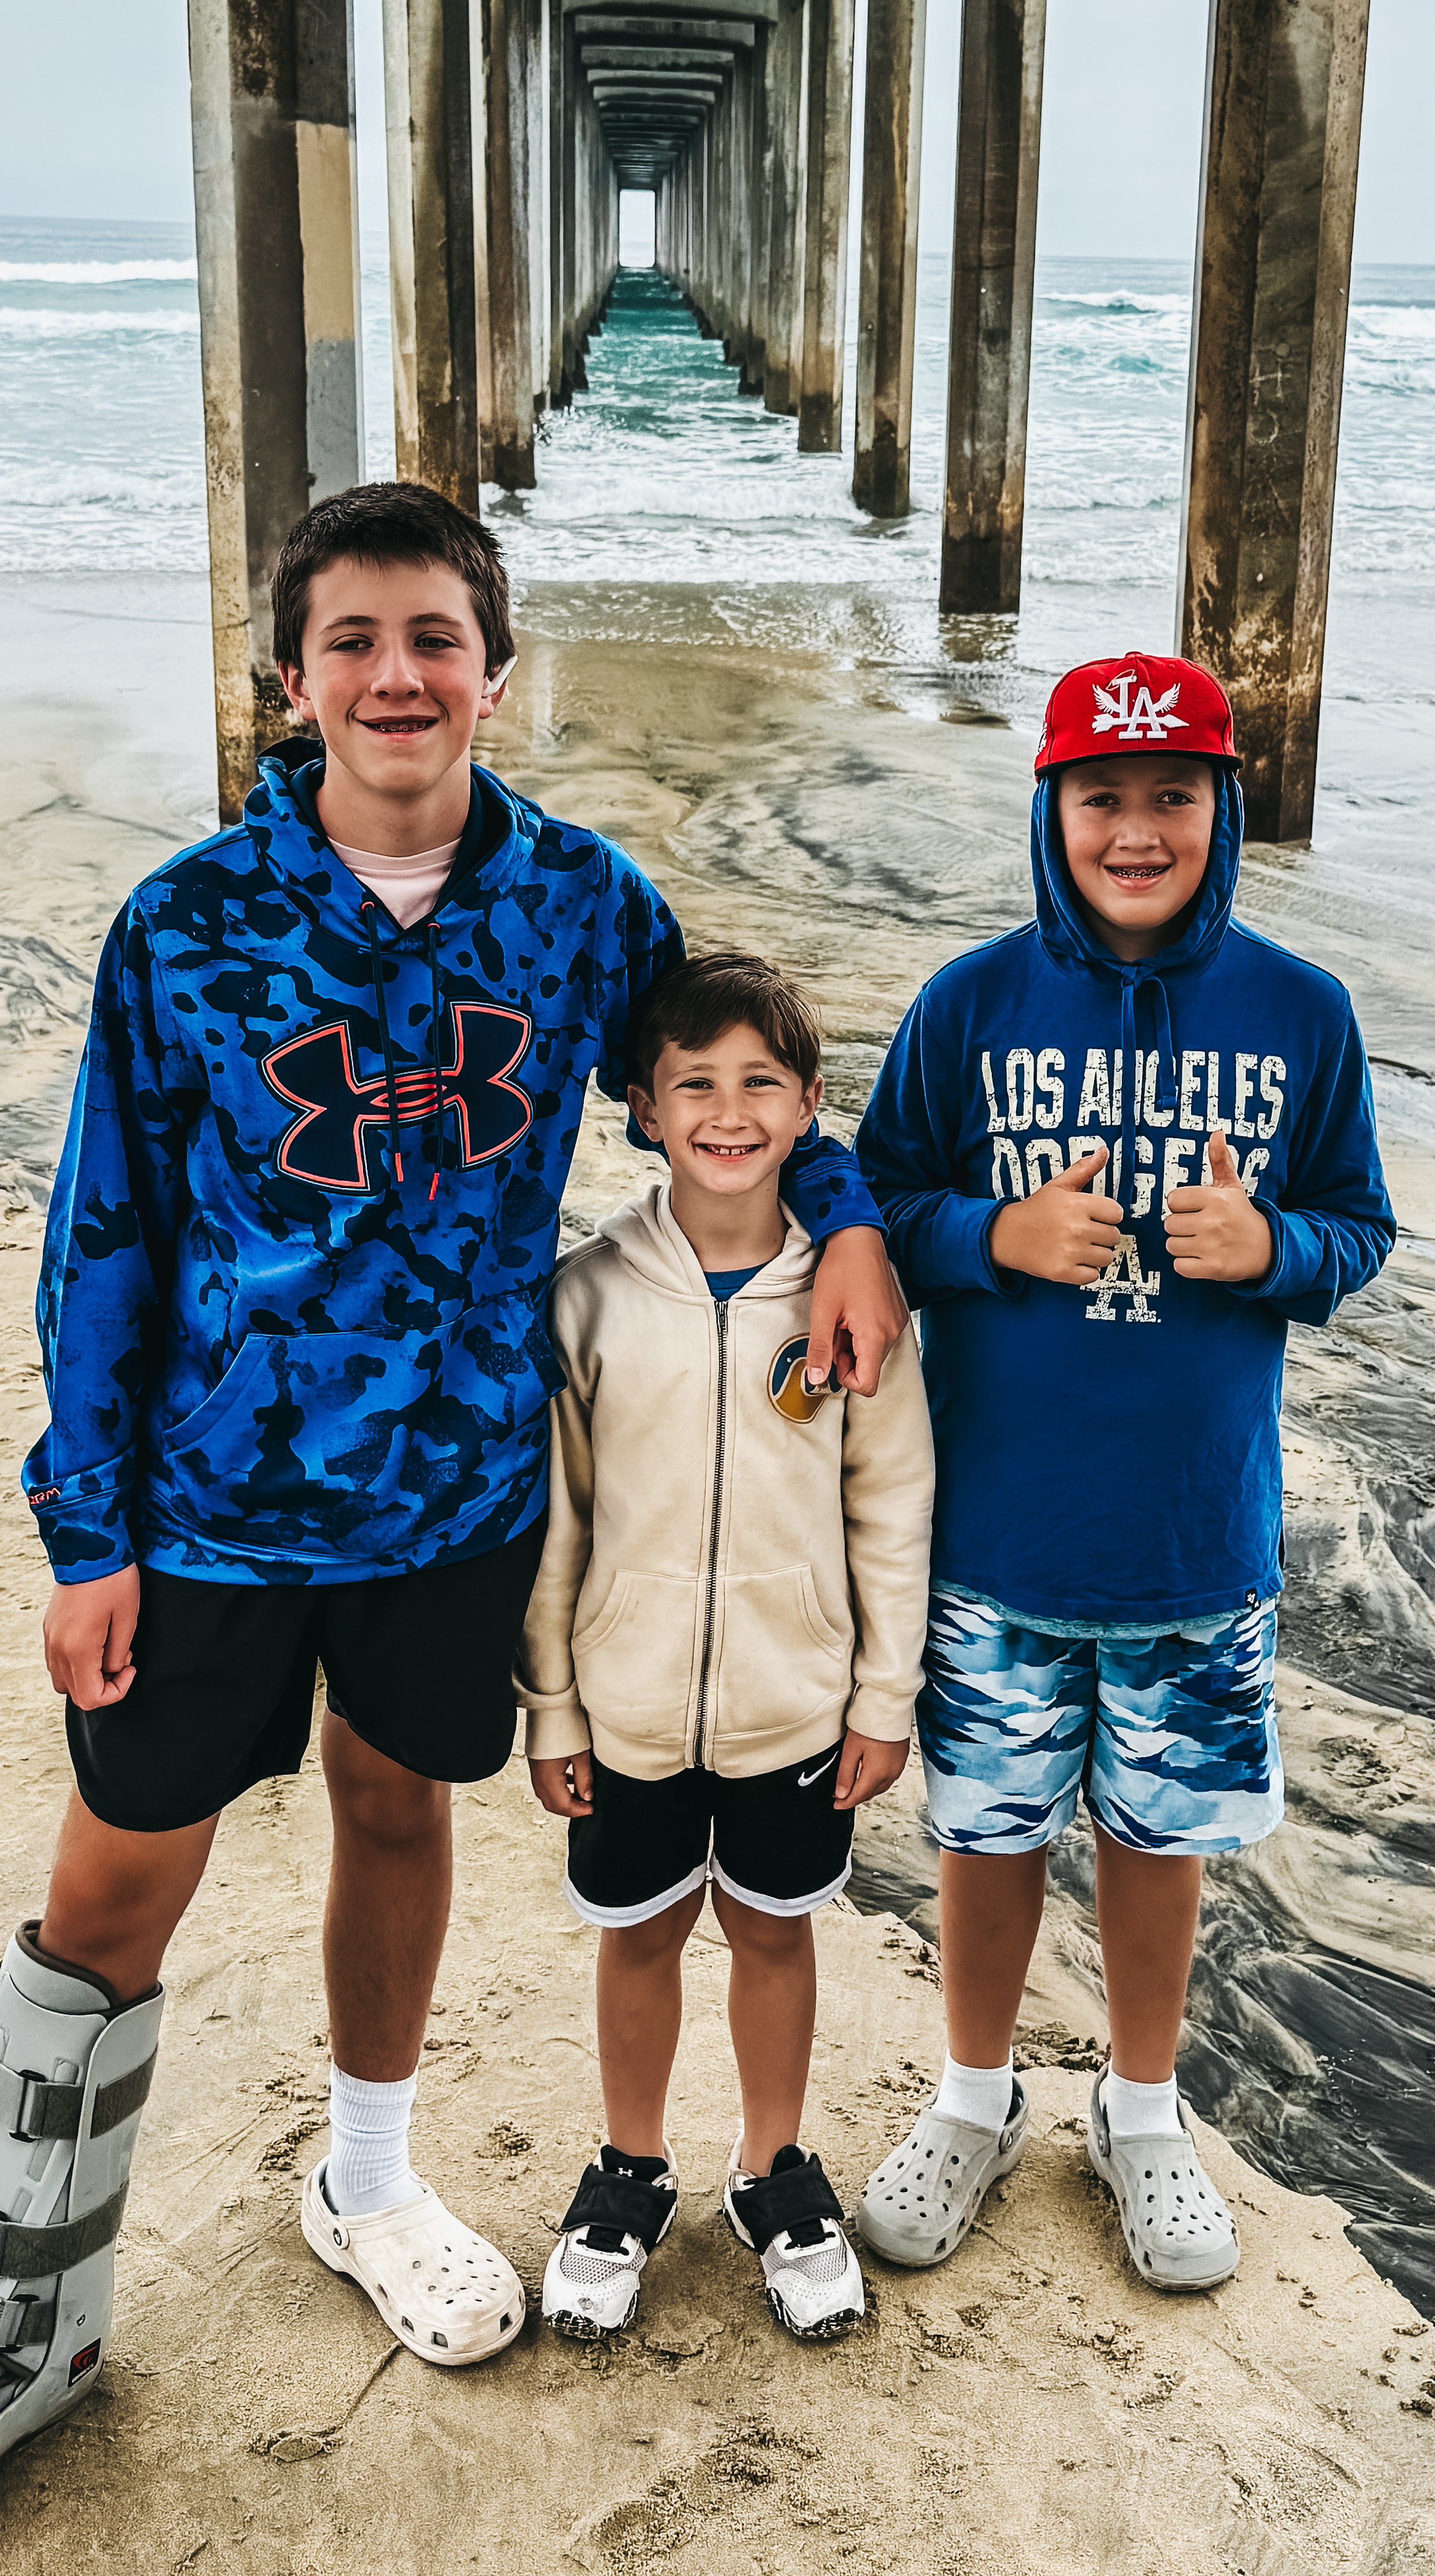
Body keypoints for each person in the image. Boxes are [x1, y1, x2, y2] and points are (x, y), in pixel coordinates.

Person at [0, 485, 907, 2553]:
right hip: (204, 1500)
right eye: (353, 639)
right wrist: (82, 1524)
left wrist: (857, 1230)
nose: (396, 676)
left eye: (436, 638)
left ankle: (366, 2177)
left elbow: (731, 1090)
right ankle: (12, 2308)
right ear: (292, 676)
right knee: (115, 1878)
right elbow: (108, 1226)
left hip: (455, 1490)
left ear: (494, 667)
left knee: (398, 1808)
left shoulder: (579, 904)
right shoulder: (187, 921)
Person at [847, 652, 1394, 2295]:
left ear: (1224, 808)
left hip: (1191, 1534)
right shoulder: (971, 1005)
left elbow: (1358, 1229)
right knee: (990, 1831)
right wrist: (992, 1232)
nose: (1137, 829)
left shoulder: (1302, 1011)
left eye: (1174, 796)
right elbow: (874, 1202)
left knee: (1161, 1835)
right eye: (1104, 797)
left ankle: (1143, 2110)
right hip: (996, 1531)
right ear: (1051, 811)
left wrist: (1271, 1246)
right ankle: (970, 2095)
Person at [519, 952, 933, 2347]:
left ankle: (773, 2168)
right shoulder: (586, 1294)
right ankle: (630, 2166)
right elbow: (556, 1520)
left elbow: (892, 1500)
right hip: (626, 1702)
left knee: (773, 1929)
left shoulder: (852, 1300)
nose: (728, 1108)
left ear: (812, 1103)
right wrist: (553, 1705)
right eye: (693, 1080)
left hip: (793, 1698)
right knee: (639, 1939)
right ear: (641, 1105)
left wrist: (884, 1692)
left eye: (761, 1080)